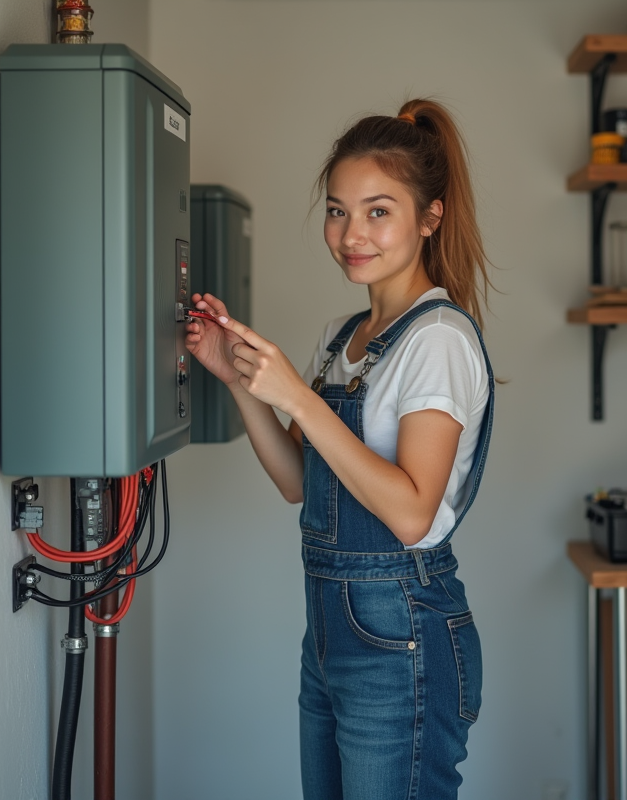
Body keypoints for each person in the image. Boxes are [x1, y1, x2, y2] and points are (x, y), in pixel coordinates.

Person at [184, 98, 495, 800]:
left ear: (430, 216)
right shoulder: (342, 334)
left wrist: (297, 397)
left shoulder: (437, 340)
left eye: (378, 211)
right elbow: (299, 481)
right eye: (337, 210)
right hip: (329, 634)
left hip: (403, 633)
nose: (351, 233)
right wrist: (240, 381)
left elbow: (412, 514)